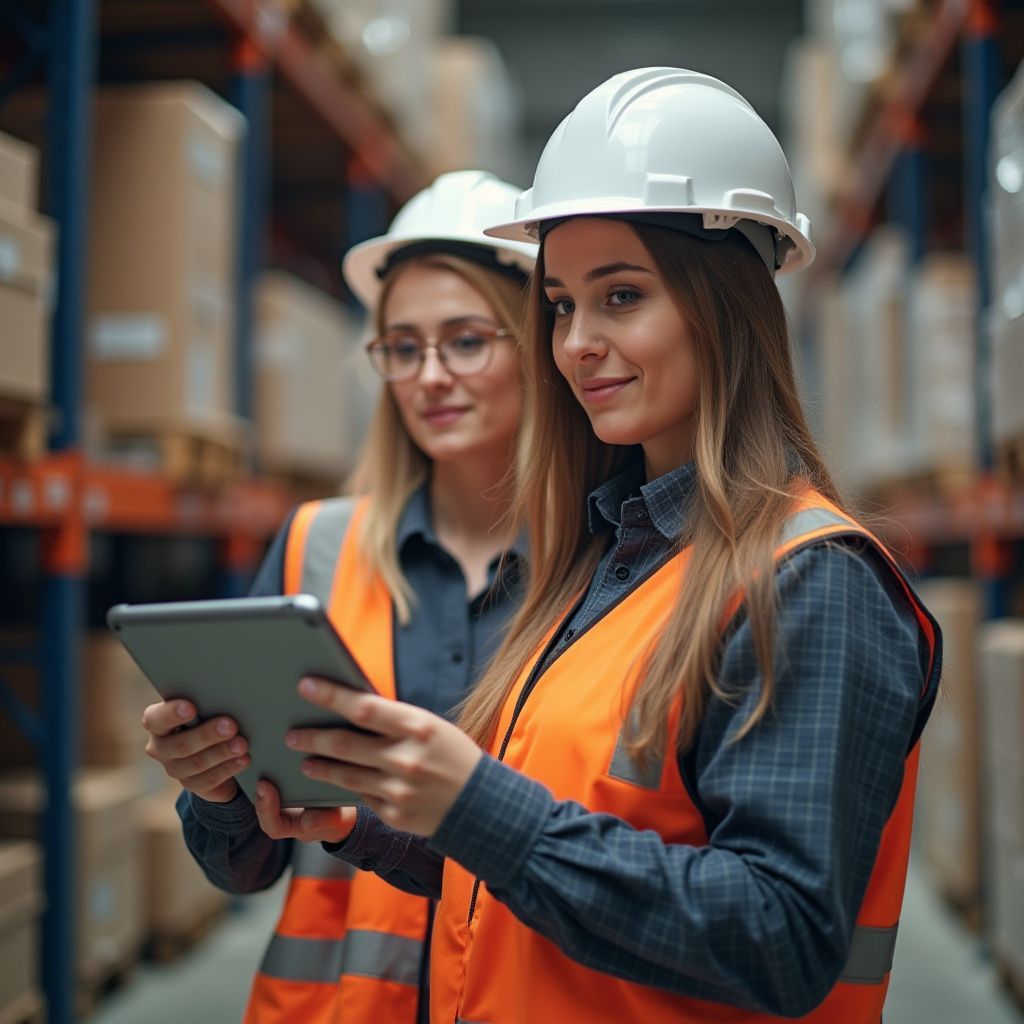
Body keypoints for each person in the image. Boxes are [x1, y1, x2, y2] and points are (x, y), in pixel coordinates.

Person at [284, 68, 942, 1023]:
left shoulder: (811, 583)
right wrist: (367, 819)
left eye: (621, 295)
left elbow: (781, 937)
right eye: (558, 305)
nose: (576, 343)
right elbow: (558, 851)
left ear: (726, 306)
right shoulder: (609, 558)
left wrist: (476, 804)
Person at [139, 169, 536, 1024]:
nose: (429, 376)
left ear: (537, 341)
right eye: (402, 346)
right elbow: (245, 868)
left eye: (467, 340)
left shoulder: (615, 562)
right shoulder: (318, 546)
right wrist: (214, 791)